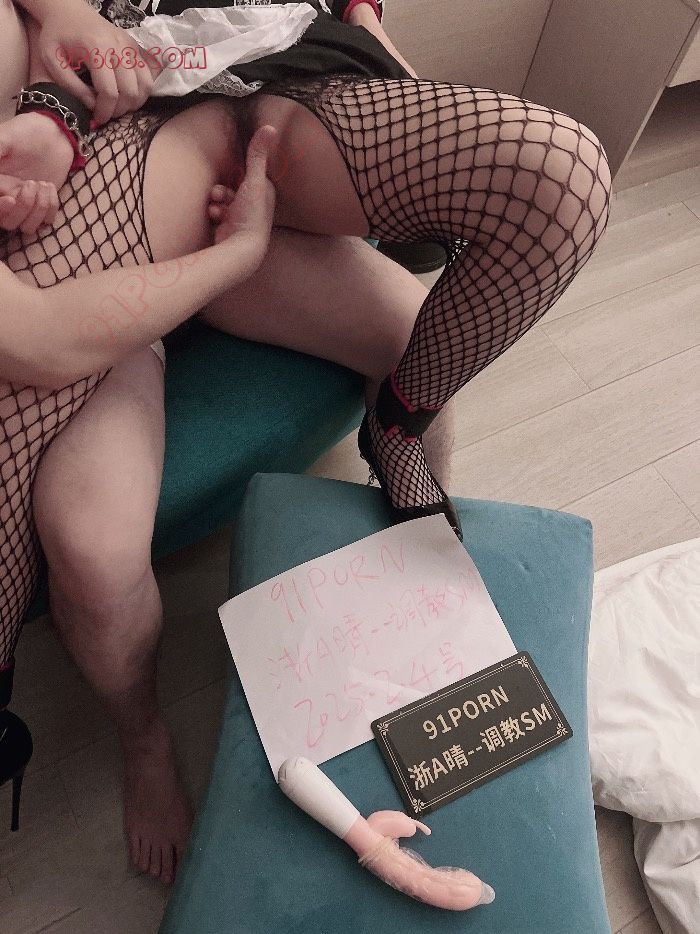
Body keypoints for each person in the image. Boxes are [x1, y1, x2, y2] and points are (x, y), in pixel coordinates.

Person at [0, 0, 612, 885]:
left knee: (554, 182)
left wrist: (376, 39)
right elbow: (38, 338)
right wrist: (59, 77)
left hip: (274, 83)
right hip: (128, 165)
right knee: (94, 548)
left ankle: (398, 476)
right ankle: (144, 738)